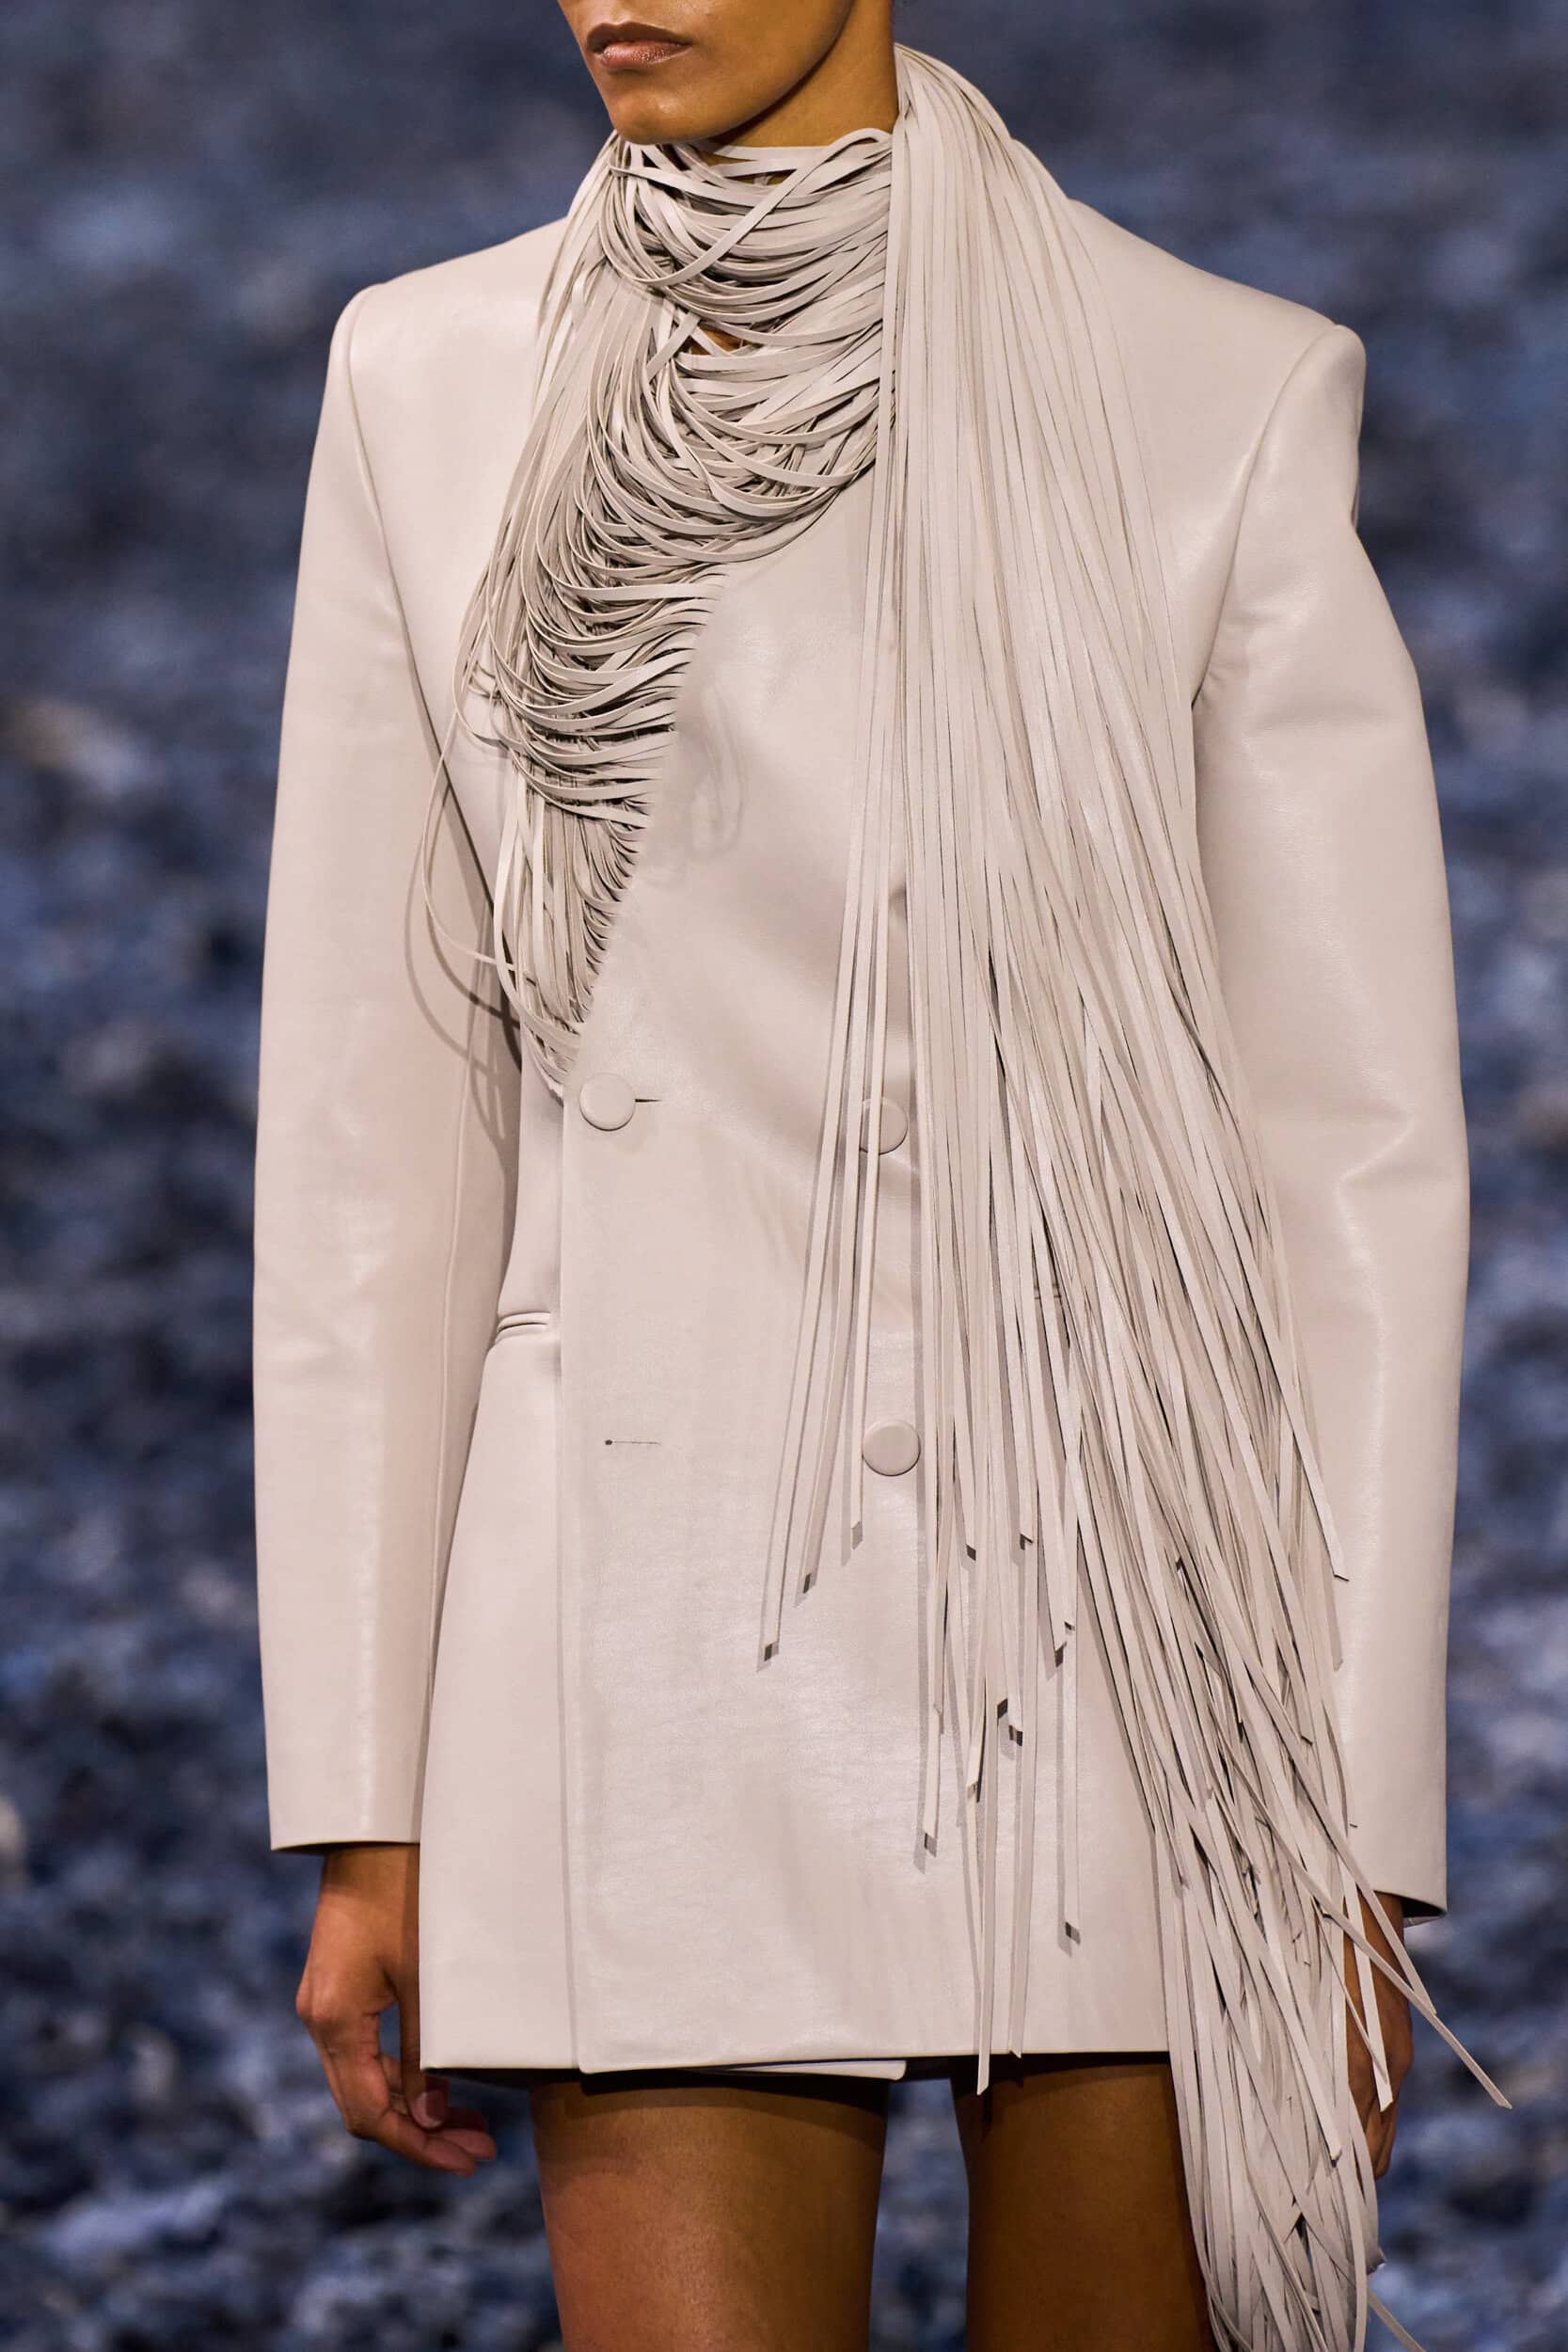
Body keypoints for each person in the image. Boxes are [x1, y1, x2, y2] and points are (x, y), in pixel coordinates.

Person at [252, 6, 1503, 2347]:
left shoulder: (1213, 387)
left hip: (1130, 1643)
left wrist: (1355, 1835)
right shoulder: (425, 381)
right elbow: (374, 1130)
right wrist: (366, 1797)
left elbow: (1350, 1162)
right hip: (632, 1636)